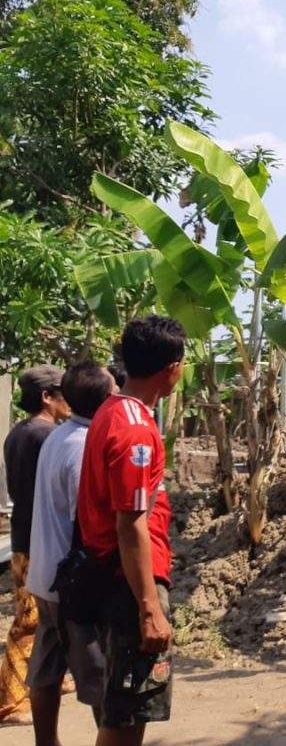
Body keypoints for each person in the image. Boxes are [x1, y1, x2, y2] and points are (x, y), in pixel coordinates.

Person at [77, 315, 185, 744]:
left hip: (114, 577)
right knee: (127, 717)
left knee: (124, 713)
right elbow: (131, 522)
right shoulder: (136, 431)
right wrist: (149, 608)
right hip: (129, 584)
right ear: (171, 367)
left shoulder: (111, 411)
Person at [25, 362, 114, 746]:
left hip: (45, 574)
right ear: (105, 400)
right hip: (72, 582)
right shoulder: (83, 445)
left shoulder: (58, 436)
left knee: (46, 668)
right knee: (99, 676)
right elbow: (88, 518)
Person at [0, 365, 69, 725]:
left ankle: (50, 680)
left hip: (24, 537)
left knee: (43, 618)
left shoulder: (19, 432)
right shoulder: (46, 436)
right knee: (29, 621)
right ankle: (10, 701)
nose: (69, 401)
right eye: (63, 393)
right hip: (37, 541)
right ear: (46, 397)